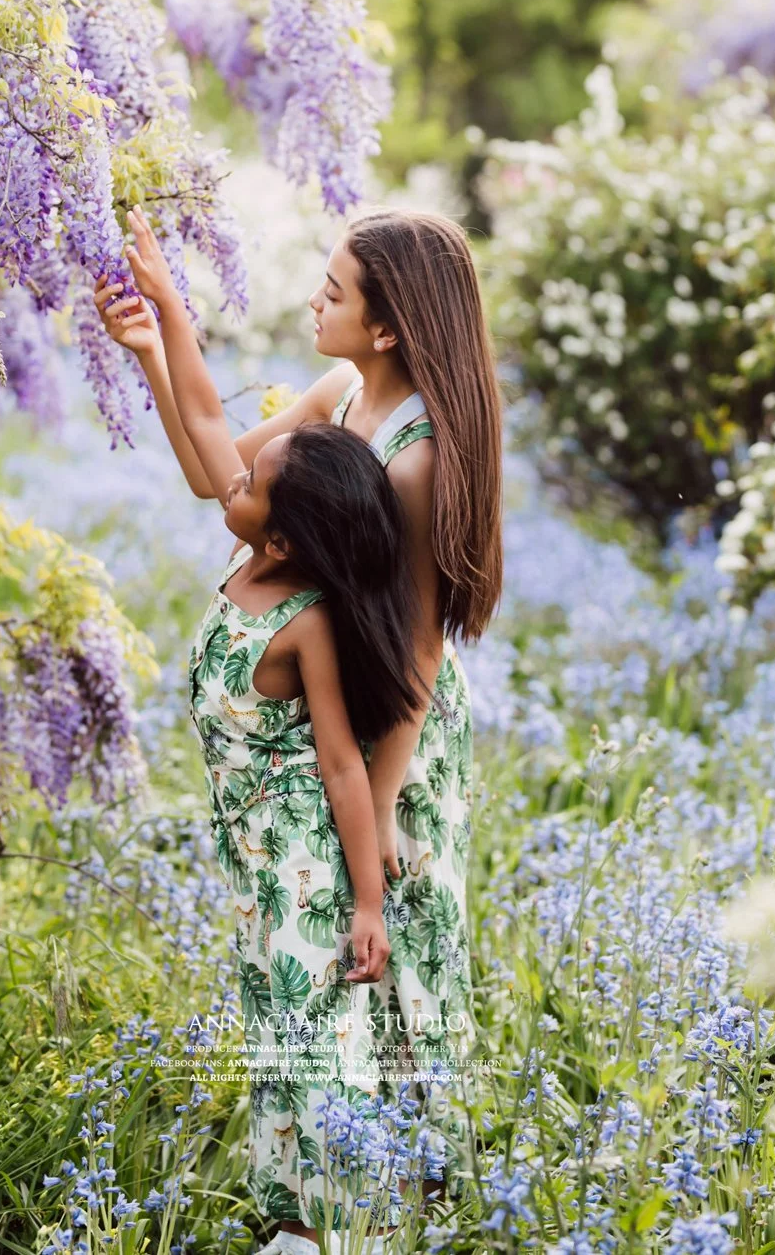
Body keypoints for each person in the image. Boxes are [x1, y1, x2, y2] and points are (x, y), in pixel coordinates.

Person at [98, 204, 503, 1225]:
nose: (312, 301)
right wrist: (162, 333)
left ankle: (416, 1196)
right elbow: (222, 476)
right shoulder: (345, 389)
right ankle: (321, 1195)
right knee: (313, 966)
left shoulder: (416, 455)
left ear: (388, 325)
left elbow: (413, 652)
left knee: (395, 957)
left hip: (392, 735)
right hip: (323, 719)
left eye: (334, 291)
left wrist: (369, 809)